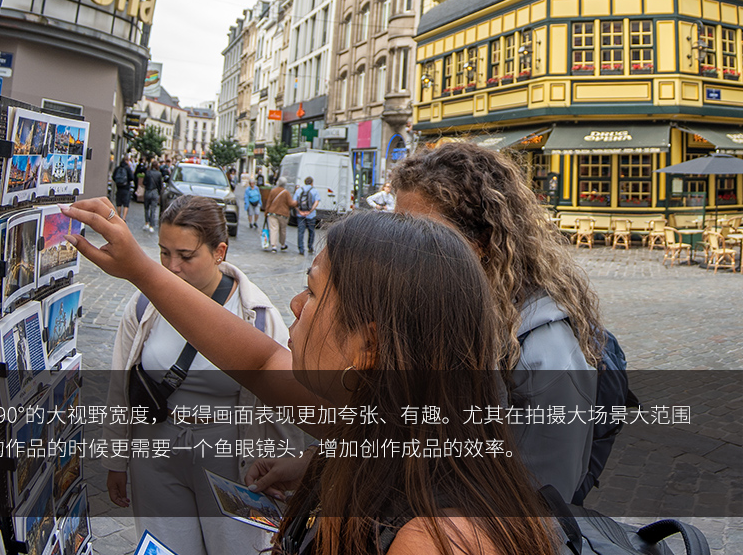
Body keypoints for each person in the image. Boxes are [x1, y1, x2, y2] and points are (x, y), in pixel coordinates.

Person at [62, 201, 558, 555]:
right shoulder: (376, 421)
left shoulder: (431, 539)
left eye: (314, 292)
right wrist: (141, 270)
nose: (295, 305)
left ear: (369, 346)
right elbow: (259, 362)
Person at [391, 141, 602, 504]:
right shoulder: (439, 304)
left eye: (423, 235)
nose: (399, 250)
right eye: (397, 230)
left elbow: (544, 495)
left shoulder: (546, 351)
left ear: (482, 241)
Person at [101, 195, 302, 555]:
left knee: (236, 548)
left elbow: (282, 405)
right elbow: (120, 385)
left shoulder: (256, 314)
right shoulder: (144, 304)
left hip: (228, 453)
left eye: (186, 256)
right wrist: (115, 459)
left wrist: (286, 467)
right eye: (164, 253)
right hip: (155, 445)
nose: (172, 267)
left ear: (219, 251)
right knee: (165, 547)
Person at [264, 176, 297, 252]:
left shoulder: (273, 191)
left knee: (273, 229)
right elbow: (290, 203)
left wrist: (266, 212)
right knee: (282, 230)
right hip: (283, 214)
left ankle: (274, 246)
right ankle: (282, 244)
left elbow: (268, 203)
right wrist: (296, 202)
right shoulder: (286, 193)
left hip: (272, 213)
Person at [294, 176, 320, 256]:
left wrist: (300, 211)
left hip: (300, 215)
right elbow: (316, 202)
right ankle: (310, 247)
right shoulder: (314, 191)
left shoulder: (299, 190)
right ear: (312, 183)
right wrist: (310, 211)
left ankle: (301, 249)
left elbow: (294, 203)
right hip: (311, 215)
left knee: (300, 232)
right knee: (311, 231)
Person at [142, 159, 163, 232]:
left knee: (146, 208)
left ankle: (146, 223)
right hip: (155, 192)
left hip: (148, 191)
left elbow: (144, 182)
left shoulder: (148, 173)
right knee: (153, 209)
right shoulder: (159, 174)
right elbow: (160, 185)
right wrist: (159, 193)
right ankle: (151, 225)